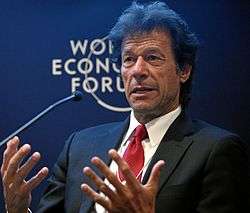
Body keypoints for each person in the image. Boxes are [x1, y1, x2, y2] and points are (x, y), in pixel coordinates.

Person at [1, 2, 249, 213]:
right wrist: (20, 211)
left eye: (153, 57)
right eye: (129, 59)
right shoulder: (79, 145)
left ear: (183, 70)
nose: (138, 71)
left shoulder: (216, 150)